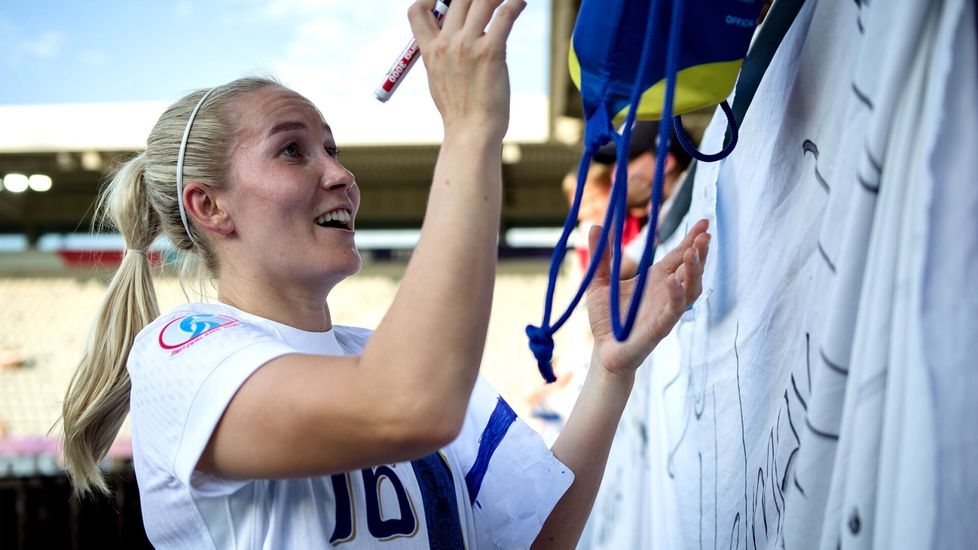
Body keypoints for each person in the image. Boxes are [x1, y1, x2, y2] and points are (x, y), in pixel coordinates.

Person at [59, 0, 710, 548]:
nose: (341, 174)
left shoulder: (383, 354)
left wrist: (610, 367)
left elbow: (535, 537)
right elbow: (405, 406)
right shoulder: (185, 355)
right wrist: (470, 128)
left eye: (332, 148)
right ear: (210, 206)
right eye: (293, 150)